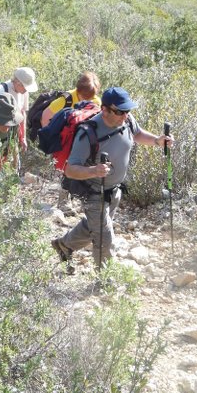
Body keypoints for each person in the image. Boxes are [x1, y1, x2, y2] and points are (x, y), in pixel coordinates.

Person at [51, 87, 174, 270]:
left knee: (96, 226)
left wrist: (157, 141)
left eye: (127, 111)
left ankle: (64, 245)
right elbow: (70, 170)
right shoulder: (87, 133)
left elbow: (137, 133)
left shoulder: (127, 119)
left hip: (114, 189)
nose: (124, 115)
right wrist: (94, 171)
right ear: (105, 110)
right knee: (104, 238)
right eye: (119, 112)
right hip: (94, 190)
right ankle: (105, 280)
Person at [0, 67, 37, 152]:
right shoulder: (0, 90)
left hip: (10, 131)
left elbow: (22, 114)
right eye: (25, 87)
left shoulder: (24, 93)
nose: (26, 90)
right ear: (18, 83)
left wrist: (23, 138)